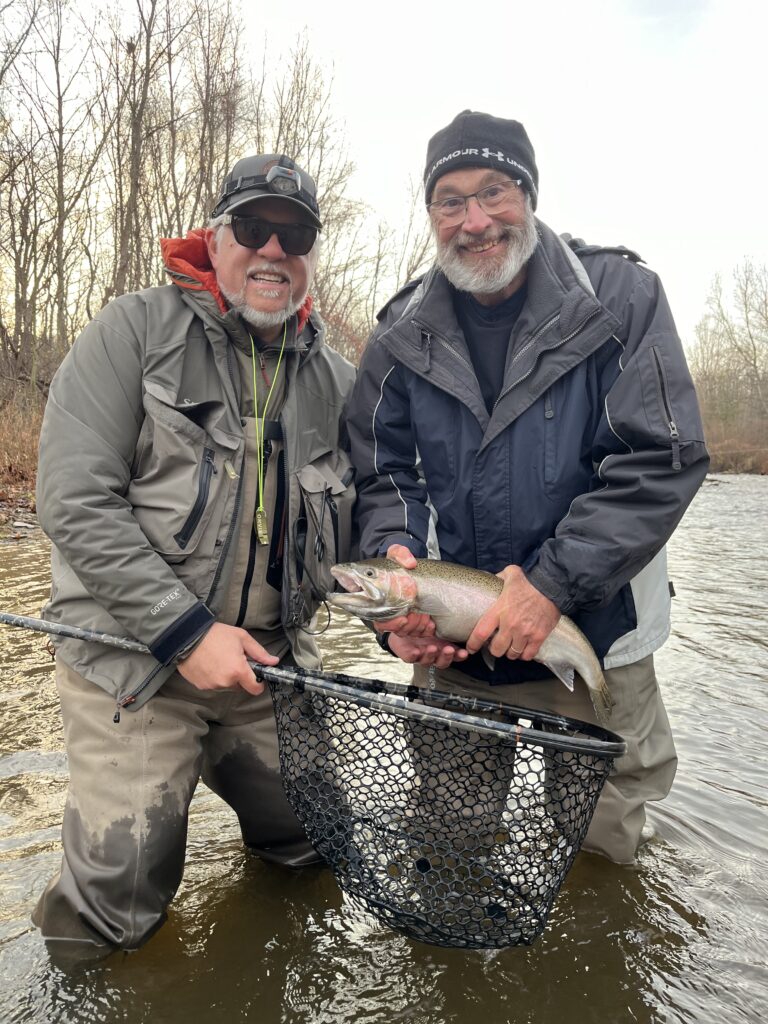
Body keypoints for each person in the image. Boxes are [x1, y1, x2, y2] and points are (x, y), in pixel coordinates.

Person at [346, 110, 709, 865]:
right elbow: (383, 474)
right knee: (449, 844)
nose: (475, 221)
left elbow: (660, 461)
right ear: (430, 215)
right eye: (450, 200)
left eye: (496, 191)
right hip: (454, 651)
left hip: (594, 635)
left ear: (530, 197)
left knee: (605, 856)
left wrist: (549, 586)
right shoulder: (396, 334)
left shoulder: (622, 296)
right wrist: (395, 572)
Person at [33, 154, 356, 961]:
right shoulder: (132, 332)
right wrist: (185, 632)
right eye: (254, 228)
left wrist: (413, 601)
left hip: (269, 666)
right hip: (134, 662)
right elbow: (73, 501)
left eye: (296, 234)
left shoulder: (340, 381)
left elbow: (377, 519)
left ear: (313, 253)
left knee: (315, 844)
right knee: (118, 895)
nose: (274, 251)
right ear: (215, 240)